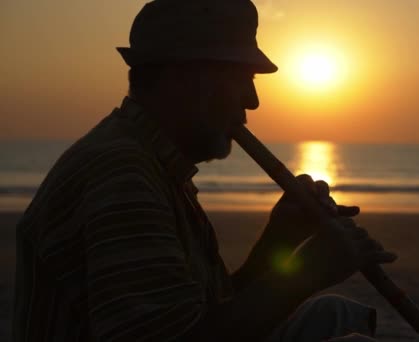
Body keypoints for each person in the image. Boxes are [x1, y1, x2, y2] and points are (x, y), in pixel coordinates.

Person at [12, 0, 397, 341]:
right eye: (242, 80)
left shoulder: (154, 166)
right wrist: (306, 275)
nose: (253, 101)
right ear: (186, 79)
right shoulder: (121, 174)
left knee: (335, 314)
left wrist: (277, 245)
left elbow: (202, 317)